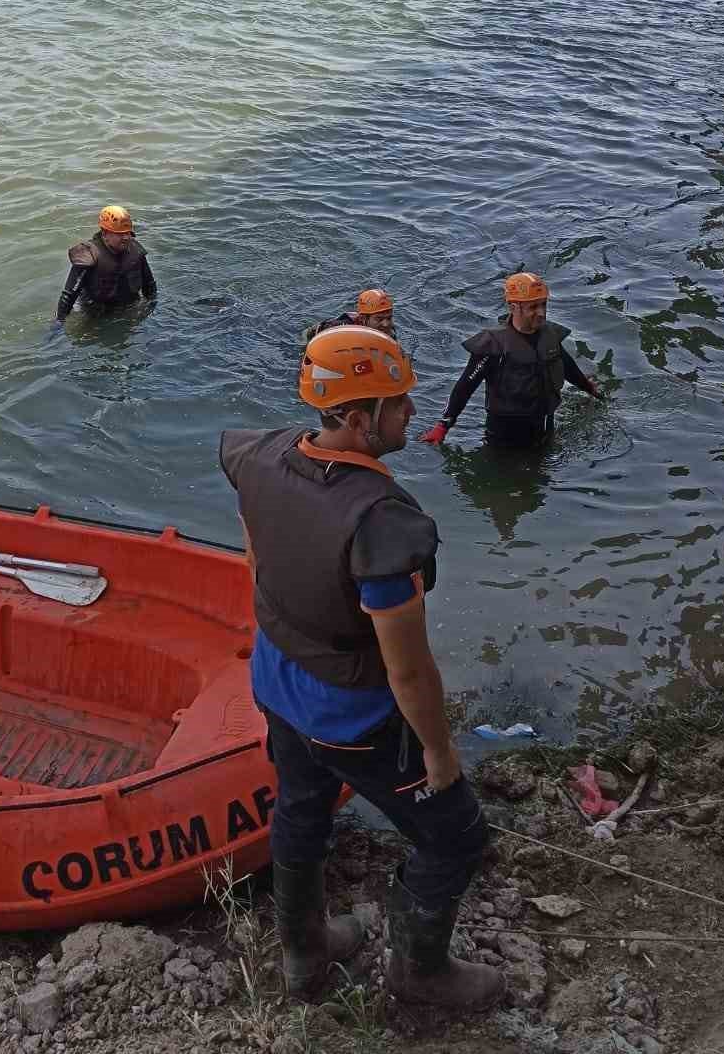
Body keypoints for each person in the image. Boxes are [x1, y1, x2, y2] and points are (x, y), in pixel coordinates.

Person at [219, 326, 502, 1012]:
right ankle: (420, 975)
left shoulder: (262, 455)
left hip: (278, 683)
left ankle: (303, 952)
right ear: (356, 419)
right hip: (354, 716)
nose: (410, 411)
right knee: (457, 837)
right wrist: (438, 752)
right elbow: (407, 672)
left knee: (301, 805)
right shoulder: (381, 524)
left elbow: (256, 558)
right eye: (396, 404)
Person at [420, 271, 601, 450]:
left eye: (543, 305)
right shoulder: (493, 345)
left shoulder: (550, 335)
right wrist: (443, 426)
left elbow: (566, 366)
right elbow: (465, 386)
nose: (541, 313)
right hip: (505, 435)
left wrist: (588, 387)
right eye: (533, 307)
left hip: (544, 424)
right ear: (513, 308)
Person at [54, 205, 157, 323]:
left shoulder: (136, 251)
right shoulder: (89, 255)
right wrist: (59, 324)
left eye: (128, 233)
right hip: (96, 314)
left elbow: (150, 286)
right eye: (119, 234)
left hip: (129, 310)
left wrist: (151, 310)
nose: (125, 238)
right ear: (104, 233)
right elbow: (69, 296)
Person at [304, 288, 396, 342]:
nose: (386, 324)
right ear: (363, 318)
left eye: (389, 318)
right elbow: (309, 333)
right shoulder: (341, 327)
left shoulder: (389, 331)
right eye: (379, 319)